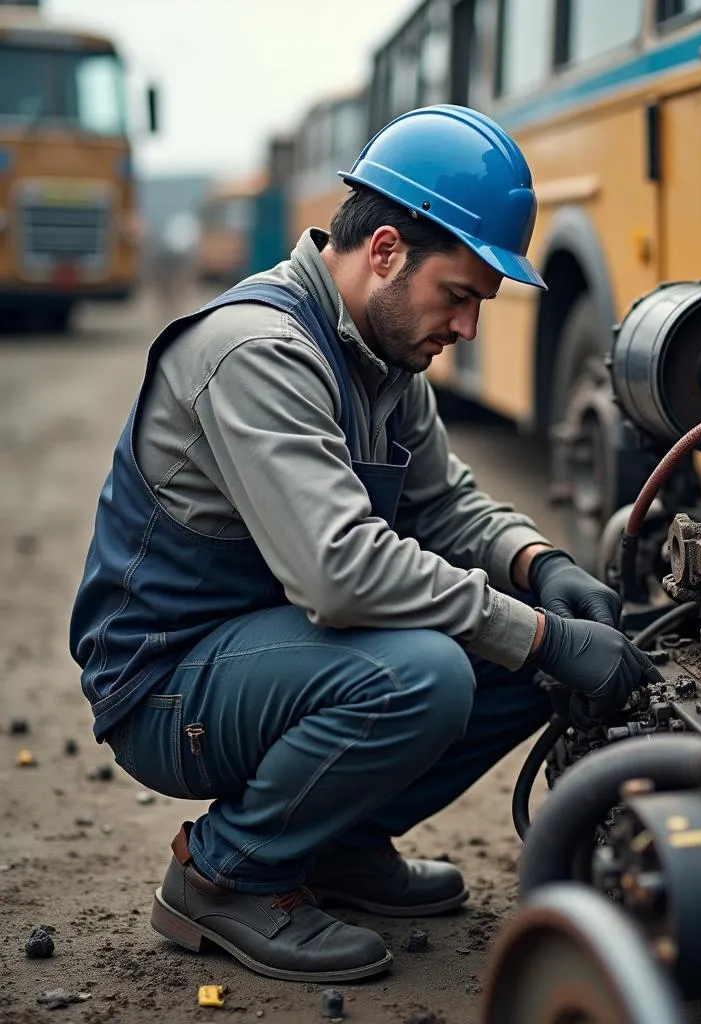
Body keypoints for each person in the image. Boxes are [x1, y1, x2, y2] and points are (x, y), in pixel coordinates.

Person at [69, 104, 660, 984]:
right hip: (165, 682)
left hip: (266, 653)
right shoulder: (258, 351)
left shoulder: (382, 359)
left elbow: (448, 506)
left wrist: (545, 568)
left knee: (513, 634)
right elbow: (339, 574)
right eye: (457, 296)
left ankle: (333, 847)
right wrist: (542, 634)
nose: (467, 328)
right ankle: (226, 875)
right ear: (384, 251)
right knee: (428, 670)